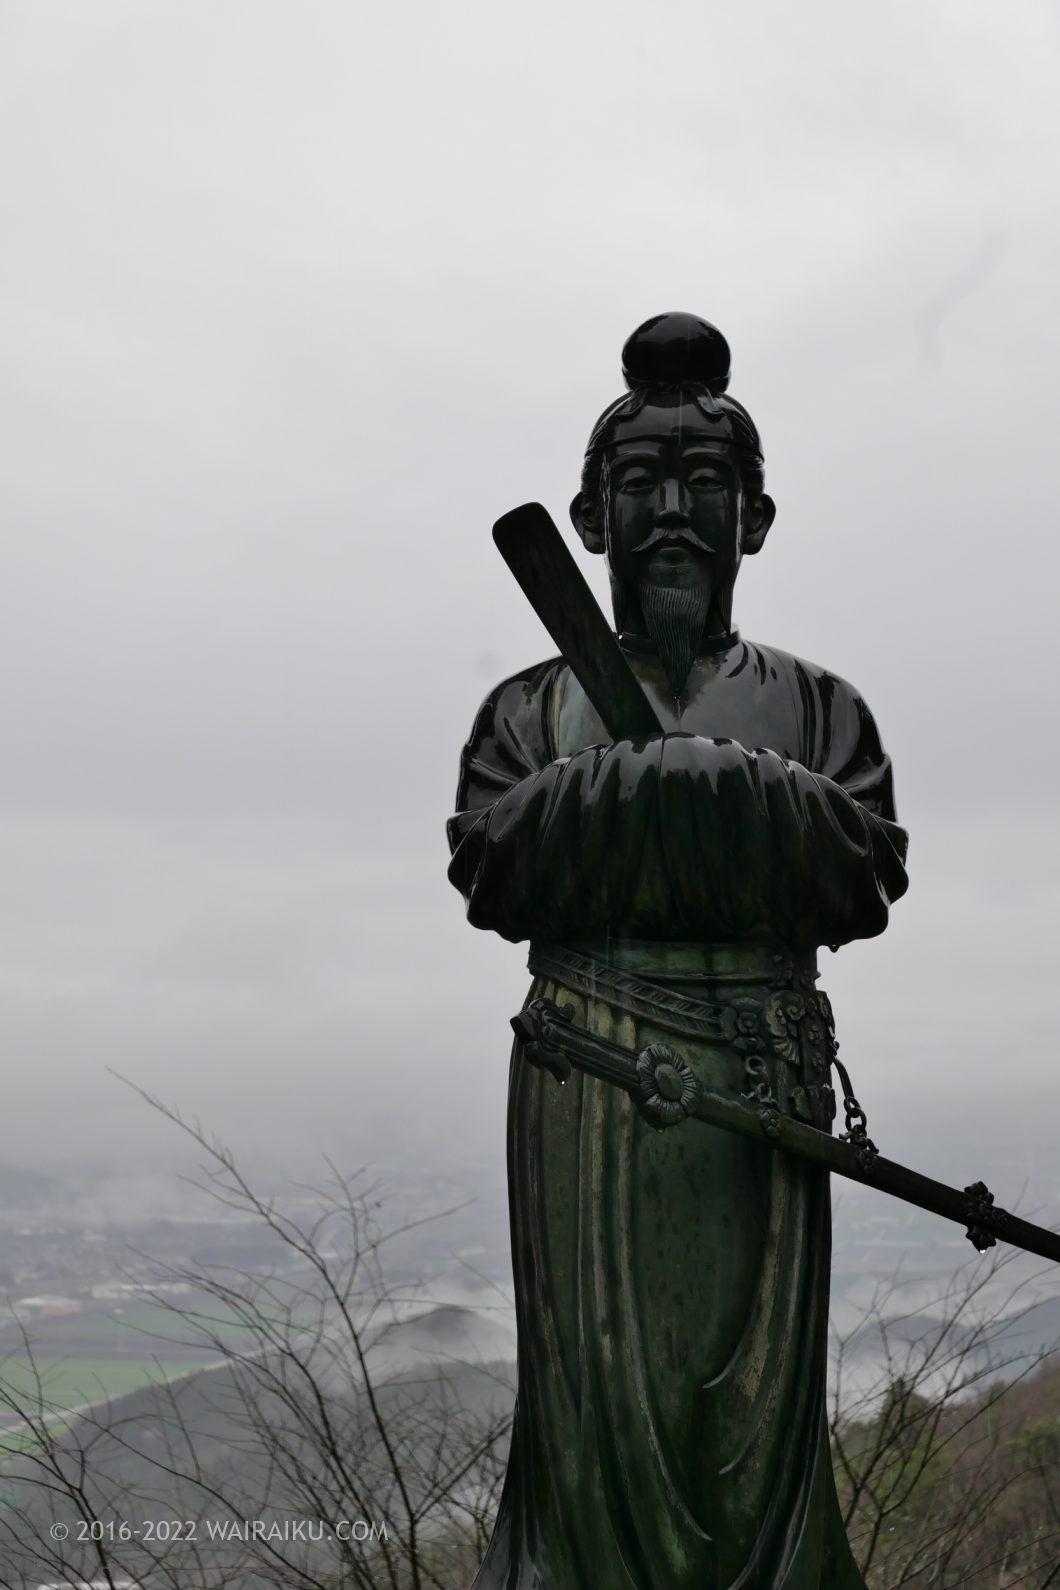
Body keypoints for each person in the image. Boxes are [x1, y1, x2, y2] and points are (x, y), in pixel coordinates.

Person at [448, 312, 908, 1589]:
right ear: (589, 519)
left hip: (763, 1079)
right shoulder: (524, 710)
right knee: (598, 1408)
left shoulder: (821, 709)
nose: (668, 510)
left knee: (752, 1427)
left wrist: (710, 784)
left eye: (703, 484)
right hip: (587, 1073)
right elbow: (490, 865)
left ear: (753, 520)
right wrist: (653, 796)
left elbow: (864, 871)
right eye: (637, 483)